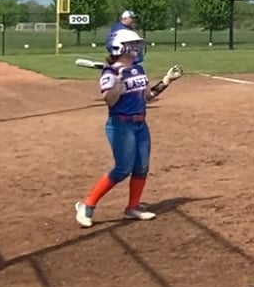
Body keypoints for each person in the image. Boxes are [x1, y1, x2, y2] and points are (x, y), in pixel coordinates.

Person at [75, 33, 183, 228]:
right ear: (119, 47)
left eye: (137, 44)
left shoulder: (138, 69)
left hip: (140, 124)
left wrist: (166, 81)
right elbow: (110, 100)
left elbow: (148, 96)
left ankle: (132, 208)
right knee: (123, 169)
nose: (137, 48)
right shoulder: (109, 73)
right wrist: (118, 80)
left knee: (141, 168)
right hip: (121, 125)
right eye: (133, 44)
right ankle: (87, 205)